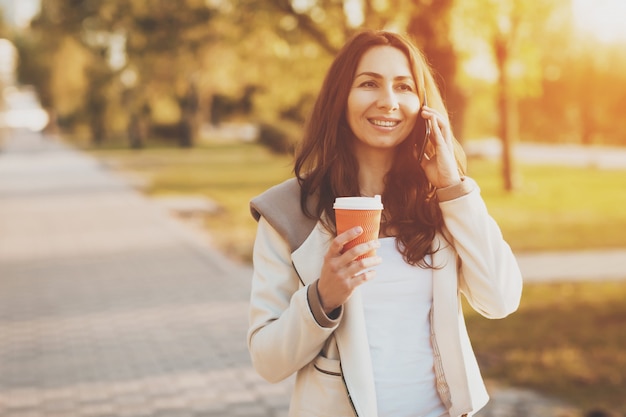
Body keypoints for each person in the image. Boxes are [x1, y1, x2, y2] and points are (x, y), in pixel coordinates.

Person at [248, 29, 523, 417]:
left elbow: (500, 298)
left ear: (422, 104)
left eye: (404, 87)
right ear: (340, 97)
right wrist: (323, 296)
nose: (388, 101)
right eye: (369, 84)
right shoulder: (288, 212)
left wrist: (453, 187)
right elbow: (267, 360)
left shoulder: (440, 203)